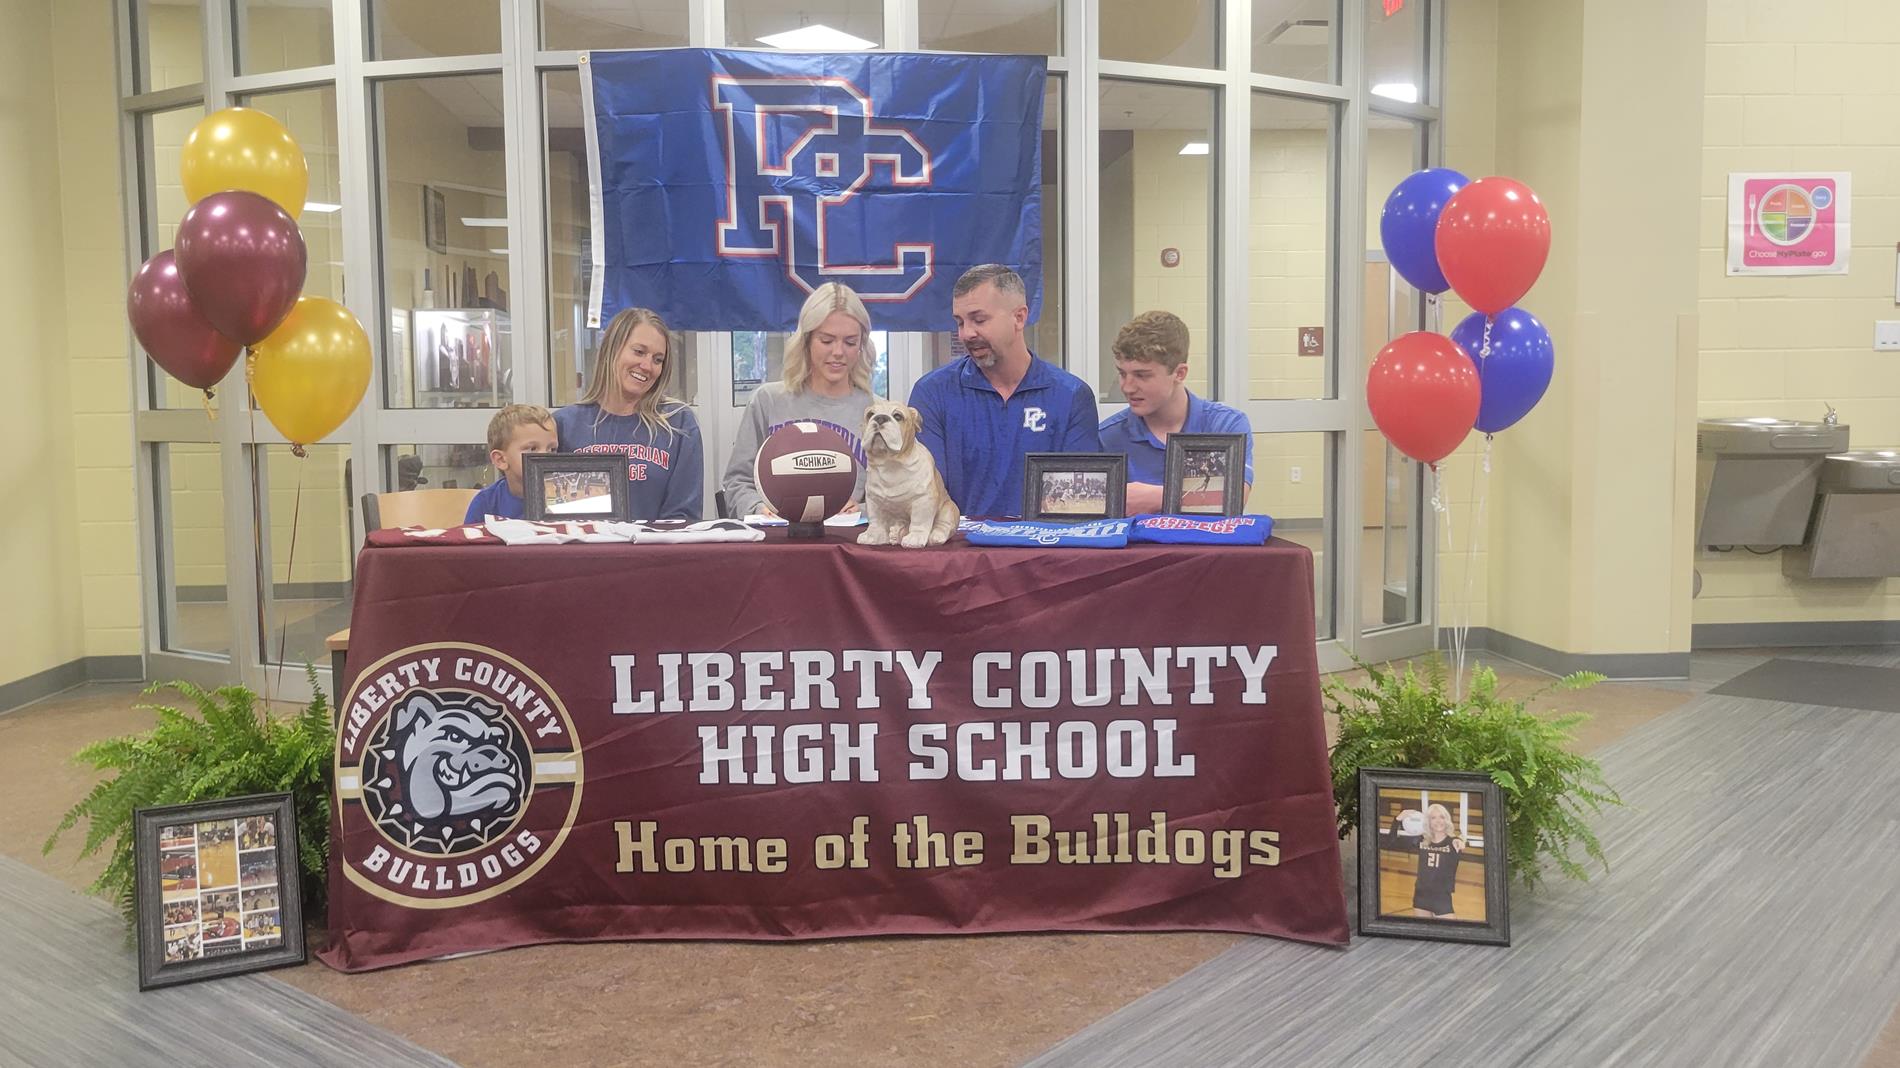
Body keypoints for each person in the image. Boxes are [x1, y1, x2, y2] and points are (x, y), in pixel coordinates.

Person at [908, 264, 1102, 517]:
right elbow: (924, 499)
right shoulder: (932, 393)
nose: (966, 334)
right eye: (960, 322)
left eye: (979, 320)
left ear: (1019, 318)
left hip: (1042, 540)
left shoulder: (1071, 396)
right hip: (958, 542)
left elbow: (1079, 507)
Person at [722, 283, 878, 518]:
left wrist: (863, 511)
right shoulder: (767, 401)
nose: (838, 352)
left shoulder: (876, 412)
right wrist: (757, 509)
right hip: (777, 538)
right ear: (806, 340)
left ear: (862, 345)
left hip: (848, 539)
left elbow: (895, 494)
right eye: (827, 340)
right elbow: (737, 482)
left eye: (850, 342)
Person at [555, 307, 704, 520]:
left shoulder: (678, 423)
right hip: (585, 541)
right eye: (639, 352)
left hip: (657, 542)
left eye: (658, 359)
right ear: (612, 349)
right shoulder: (564, 425)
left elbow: (683, 515)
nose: (647, 366)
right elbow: (550, 509)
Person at [1098, 310, 1253, 515]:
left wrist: (1155, 497)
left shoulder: (1225, 425)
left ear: (1180, 373)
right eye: (1122, 373)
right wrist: (1193, 497)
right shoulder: (1107, 437)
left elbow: (1234, 498)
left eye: (1142, 375)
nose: (1127, 387)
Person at [463, 404, 558, 524]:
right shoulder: (486, 503)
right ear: (501, 460)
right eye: (532, 449)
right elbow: (470, 535)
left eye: (552, 449)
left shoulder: (565, 498)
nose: (546, 457)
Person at [1390, 802, 1467, 918]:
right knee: (1424, 929)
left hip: (1442, 898)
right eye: (1433, 818)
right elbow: (1391, 843)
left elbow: (1462, 842)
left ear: (1447, 820)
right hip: (1421, 896)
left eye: (1442, 817)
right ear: (1428, 822)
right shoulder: (1422, 841)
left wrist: (1459, 840)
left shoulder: (1453, 842)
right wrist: (1397, 820)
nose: (1438, 821)